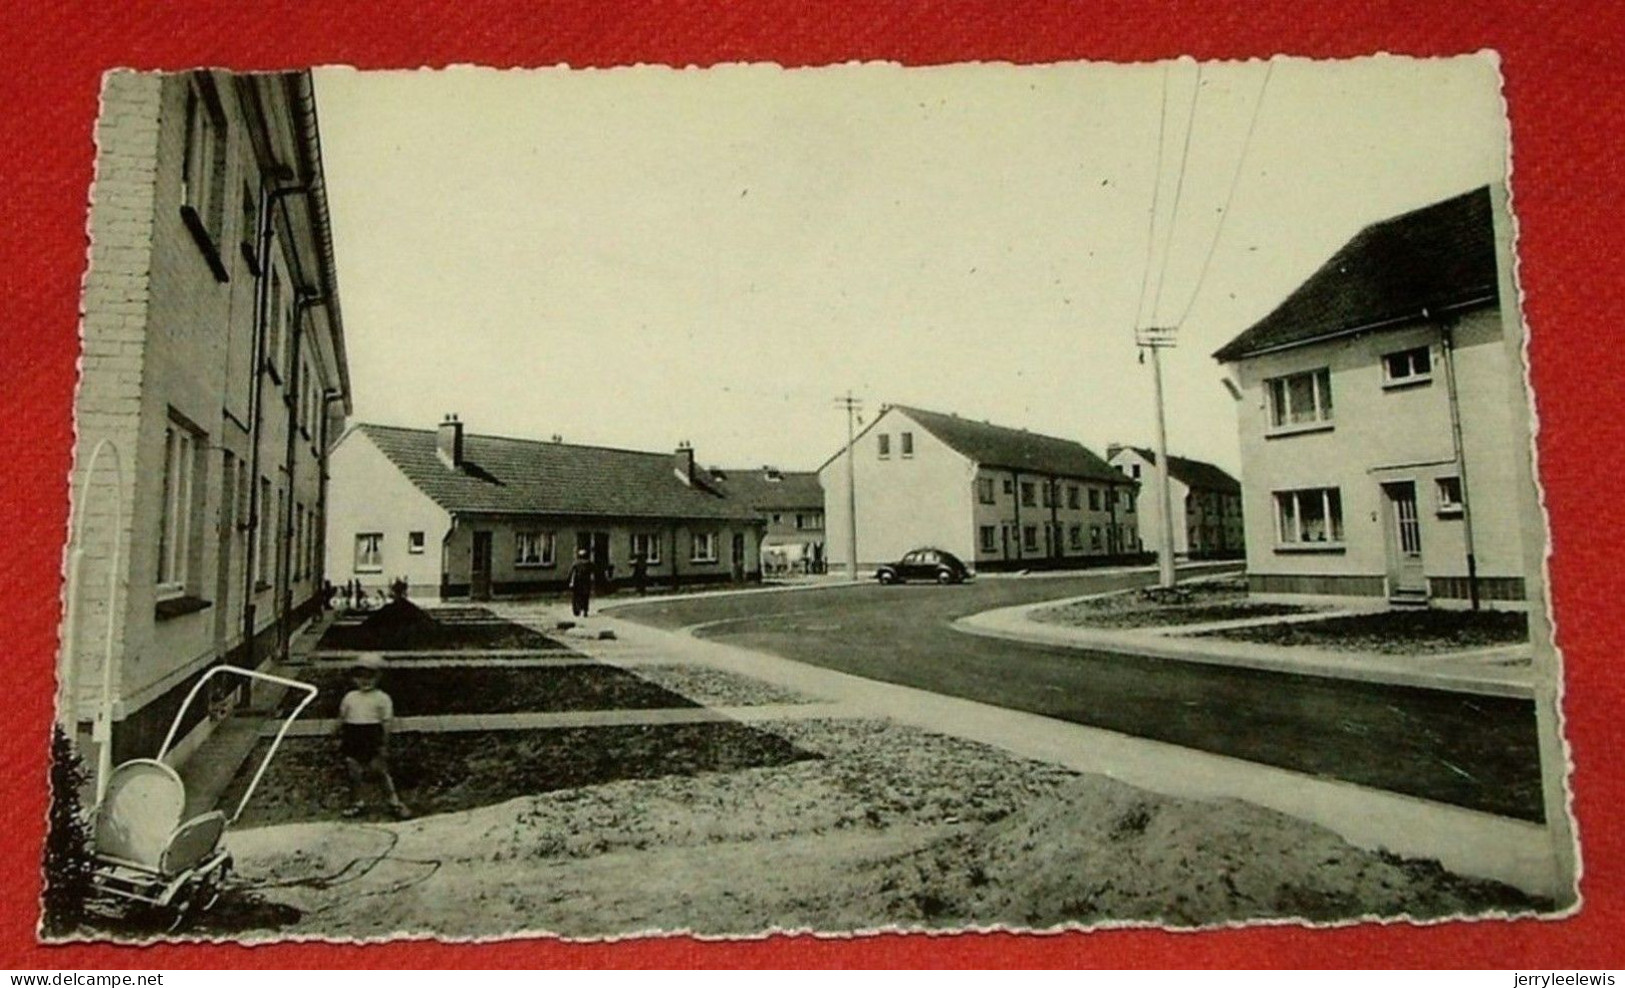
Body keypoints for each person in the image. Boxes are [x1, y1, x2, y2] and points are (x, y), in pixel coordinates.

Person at [336, 653, 410, 819]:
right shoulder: (350, 697)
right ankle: (357, 802)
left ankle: (394, 802)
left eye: (370, 676)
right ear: (353, 678)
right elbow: (342, 717)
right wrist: (335, 732)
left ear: (378, 677)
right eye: (360, 676)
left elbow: (386, 722)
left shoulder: (382, 698)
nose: (365, 680)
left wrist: (384, 743)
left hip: (372, 736)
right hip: (353, 736)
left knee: (380, 771)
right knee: (353, 772)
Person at [567, 548, 596, 617]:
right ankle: (585, 611)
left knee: (577, 596)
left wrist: (568, 580)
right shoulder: (589, 563)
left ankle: (577, 610)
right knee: (585, 597)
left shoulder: (576, 563)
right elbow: (594, 570)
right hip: (586, 582)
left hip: (578, 583)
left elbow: (571, 572)